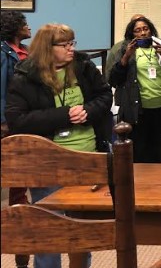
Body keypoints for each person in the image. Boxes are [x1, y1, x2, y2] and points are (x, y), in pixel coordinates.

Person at [5, 24, 113, 268]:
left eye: (72, 43)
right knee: (48, 226)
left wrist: (88, 111)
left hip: (87, 157)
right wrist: (64, 115)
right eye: (65, 45)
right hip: (47, 162)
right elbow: (18, 120)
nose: (71, 49)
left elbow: (105, 96)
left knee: (82, 226)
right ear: (47, 48)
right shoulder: (25, 76)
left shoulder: (84, 67)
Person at [109, 16, 161, 163]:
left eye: (145, 29)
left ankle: (159, 182)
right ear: (132, 34)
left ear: (151, 30)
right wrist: (126, 57)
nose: (143, 33)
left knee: (159, 149)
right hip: (138, 110)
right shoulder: (125, 49)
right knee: (140, 151)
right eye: (137, 30)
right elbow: (113, 79)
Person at [1, 11, 31, 268]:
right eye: (23, 23)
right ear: (13, 28)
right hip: (8, 123)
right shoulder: (3, 53)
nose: (28, 26)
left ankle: (21, 243)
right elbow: (2, 89)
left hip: (23, 121)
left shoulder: (24, 50)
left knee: (19, 181)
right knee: (12, 176)